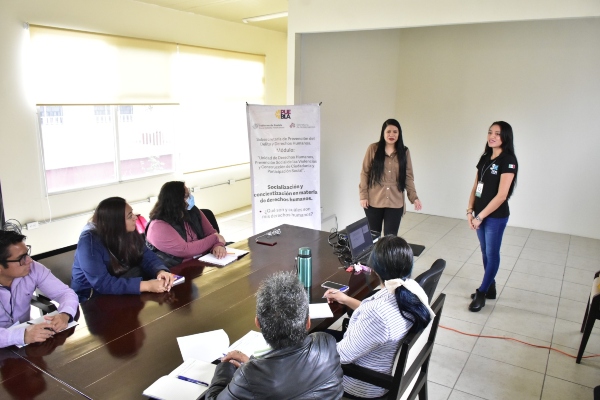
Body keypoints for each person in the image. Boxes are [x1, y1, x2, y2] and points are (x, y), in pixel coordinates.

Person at [324, 235, 434, 399]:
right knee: (322, 336)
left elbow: (342, 356)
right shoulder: (410, 290)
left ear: (375, 269)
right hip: (384, 363)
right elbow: (379, 317)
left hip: (364, 383)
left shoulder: (378, 314)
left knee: (305, 348)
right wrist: (346, 300)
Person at [205, 271, 344, 400]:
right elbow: (294, 377)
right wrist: (254, 367)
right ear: (308, 322)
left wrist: (225, 368)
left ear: (257, 323)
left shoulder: (247, 377)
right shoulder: (326, 343)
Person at [71, 197, 174, 301]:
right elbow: (102, 283)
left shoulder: (127, 231)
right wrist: (147, 286)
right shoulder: (89, 242)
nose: (135, 218)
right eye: (130, 216)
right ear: (115, 222)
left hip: (120, 285)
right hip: (91, 297)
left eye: (132, 213)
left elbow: (145, 255)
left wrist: (160, 271)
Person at [467, 121, 518, 312]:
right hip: (479, 214)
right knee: (484, 251)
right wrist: (470, 211)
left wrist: (480, 217)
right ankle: (490, 287)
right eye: (490, 132)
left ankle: (482, 292)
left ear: (505, 137)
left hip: (495, 217)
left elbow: (502, 195)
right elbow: (475, 187)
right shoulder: (485, 157)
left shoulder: (508, 160)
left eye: (497, 133)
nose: (492, 136)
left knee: (492, 253)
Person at [0, 230, 78, 348]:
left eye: (27, 254)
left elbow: (65, 293)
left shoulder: (33, 268)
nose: (29, 260)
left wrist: (65, 313)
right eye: (21, 258)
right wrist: (22, 335)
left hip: (27, 341)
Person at [359, 118, 422, 236]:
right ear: (383, 133)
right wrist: (363, 196)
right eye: (388, 131)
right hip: (374, 200)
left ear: (399, 134)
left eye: (395, 132)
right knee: (373, 237)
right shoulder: (373, 148)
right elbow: (365, 173)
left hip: (395, 201)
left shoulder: (404, 151)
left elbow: (408, 176)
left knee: (390, 238)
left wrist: (414, 198)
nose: (391, 134)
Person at [146, 181, 227, 267]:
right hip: (177, 267)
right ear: (176, 201)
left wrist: (218, 246)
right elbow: (184, 250)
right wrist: (215, 239)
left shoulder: (192, 210)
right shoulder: (158, 226)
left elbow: (211, 233)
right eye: (186, 196)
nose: (190, 198)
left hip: (202, 261)